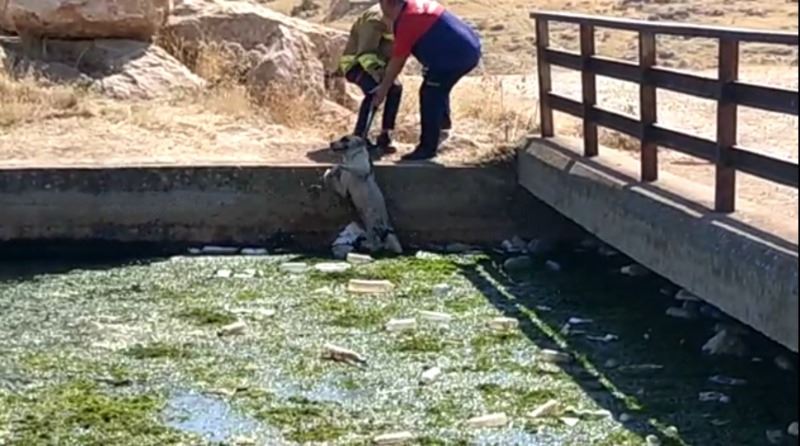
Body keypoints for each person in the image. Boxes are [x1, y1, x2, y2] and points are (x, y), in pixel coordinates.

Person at [372, 0, 481, 160]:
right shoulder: (414, 6)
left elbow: (398, 62)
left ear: (387, 4)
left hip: (457, 56)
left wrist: (383, 89)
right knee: (436, 83)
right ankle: (443, 125)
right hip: (468, 46)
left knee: (430, 93)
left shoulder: (406, 22)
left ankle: (427, 148)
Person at [338, 4, 403, 153]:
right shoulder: (375, 19)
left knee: (395, 88)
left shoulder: (398, 12)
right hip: (356, 65)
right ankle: (360, 136)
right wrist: (381, 76)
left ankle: (386, 135)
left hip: (378, 66)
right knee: (375, 90)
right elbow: (365, 54)